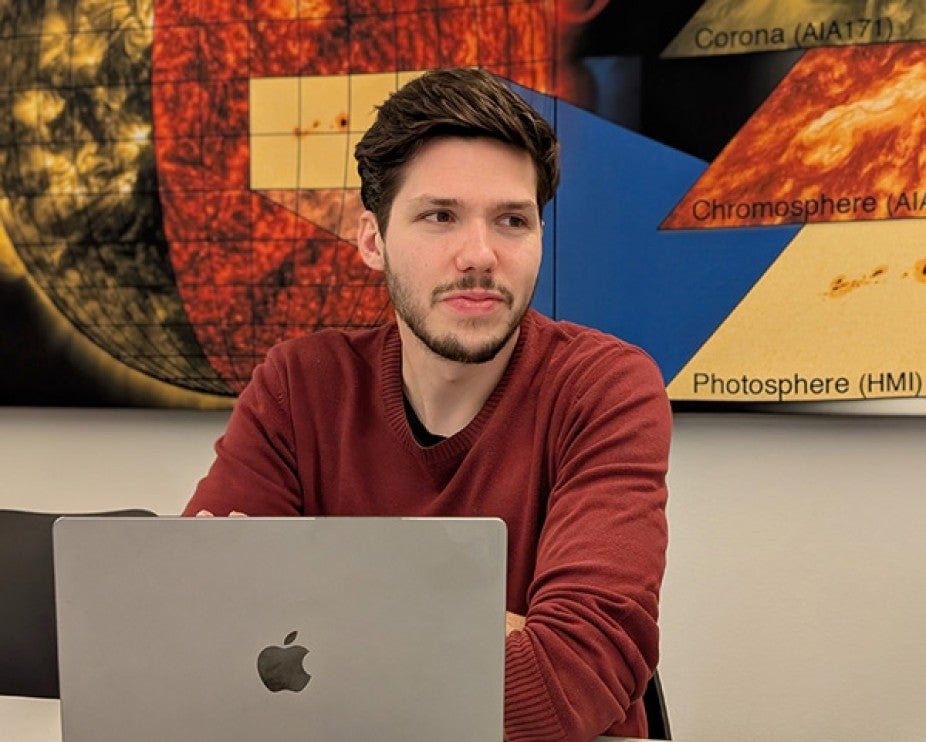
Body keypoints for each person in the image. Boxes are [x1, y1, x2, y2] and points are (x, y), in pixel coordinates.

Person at [184, 66, 671, 741]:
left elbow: (567, 683)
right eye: (440, 216)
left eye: (511, 221)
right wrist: (480, 628)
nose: (480, 255)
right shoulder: (298, 386)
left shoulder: (606, 388)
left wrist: (313, 608)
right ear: (373, 241)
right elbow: (196, 635)